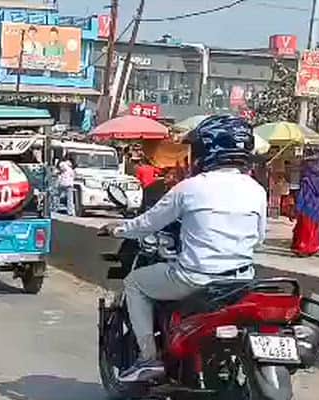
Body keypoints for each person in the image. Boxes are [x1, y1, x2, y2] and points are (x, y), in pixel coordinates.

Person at [109, 115, 267, 383]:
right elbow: (259, 238)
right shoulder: (257, 190)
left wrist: (117, 229)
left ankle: (149, 359)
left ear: (207, 150)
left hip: (194, 278)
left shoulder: (190, 188)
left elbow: (147, 224)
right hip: (240, 279)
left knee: (135, 283)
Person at [291, 154, 319, 257]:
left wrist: (298, 208)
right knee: (313, 230)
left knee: (304, 231)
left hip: (307, 208)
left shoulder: (306, 180)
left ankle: (303, 249)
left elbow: (303, 196)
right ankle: (313, 248)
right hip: (317, 209)